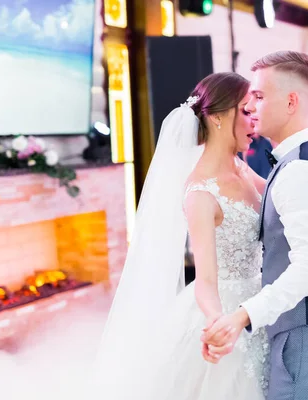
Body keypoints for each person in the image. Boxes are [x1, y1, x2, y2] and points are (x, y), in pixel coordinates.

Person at [89, 72, 270, 399]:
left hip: (260, 302)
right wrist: (220, 324)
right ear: (217, 117)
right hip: (227, 309)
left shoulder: (242, 168)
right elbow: (205, 281)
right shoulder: (201, 192)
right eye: (245, 110)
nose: (254, 118)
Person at [201, 51, 308, 400]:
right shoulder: (293, 162)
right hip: (302, 330)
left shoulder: (300, 170)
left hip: (307, 334)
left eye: (258, 95)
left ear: (290, 102)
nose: (250, 106)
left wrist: (243, 315)